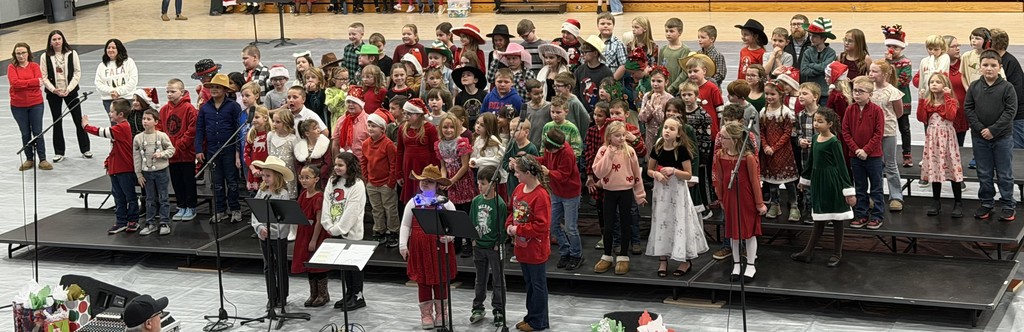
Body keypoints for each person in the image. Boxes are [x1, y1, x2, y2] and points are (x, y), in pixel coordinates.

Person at [791, 108, 855, 267]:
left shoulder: (834, 142)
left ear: (830, 124)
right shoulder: (814, 138)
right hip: (819, 183)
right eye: (815, 121)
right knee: (819, 218)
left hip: (832, 183)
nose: (816, 124)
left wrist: (848, 190)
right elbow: (811, 162)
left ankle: (837, 253)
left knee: (837, 219)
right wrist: (804, 180)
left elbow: (842, 167)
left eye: (820, 121)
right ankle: (807, 252)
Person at [646, 116, 707, 277]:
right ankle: (662, 259)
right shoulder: (658, 147)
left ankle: (684, 259)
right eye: (665, 127)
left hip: (677, 191)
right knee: (662, 221)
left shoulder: (681, 150)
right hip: (662, 191)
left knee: (678, 220)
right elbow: (649, 170)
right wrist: (656, 175)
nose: (667, 131)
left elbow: (688, 174)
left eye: (671, 129)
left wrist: (673, 171)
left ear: (678, 134)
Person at [400, 165, 457, 330]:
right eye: (423, 181)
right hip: (420, 247)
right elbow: (405, 225)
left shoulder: (445, 203)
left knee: (441, 282)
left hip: (440, 247)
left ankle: (442, 313)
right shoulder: (414, 202)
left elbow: (454, 224)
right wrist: (403, 244)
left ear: (437, 185)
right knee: (423, 282)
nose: (425, 185)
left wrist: (450, 236)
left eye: (430, 182)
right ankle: (426, 314)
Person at [965, 50, 1017, 221]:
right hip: (980, 138)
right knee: (984, 172)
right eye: (985, 65)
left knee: (1004, 173)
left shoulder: (1007, 88)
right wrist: (981, 129)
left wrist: (993, 130)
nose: (989, 69)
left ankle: (1008, 204)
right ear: (980, 67)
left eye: (993, 65)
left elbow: (1010, 111)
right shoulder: (974, 87)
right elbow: (969, 109)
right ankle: (987, 202)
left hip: (1002, 138)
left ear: (1000, 68)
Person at [714, 121, 766, 281]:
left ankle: (750, 265)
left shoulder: (748, 157)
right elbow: (720, 179)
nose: (721, 140)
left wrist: (759, 203)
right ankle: (736, 264)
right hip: (730, 198)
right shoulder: (720, 155)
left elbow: (754, 181)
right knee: (733, 233)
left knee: (749, 233)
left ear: (735, 139)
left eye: (724, 137)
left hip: (746, 198)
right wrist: (721, 197)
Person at [592, 122, 646, 275]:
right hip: (609, 192)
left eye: (623, 135)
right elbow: (599, 172)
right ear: (609, 137)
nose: (622, 138)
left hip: (626, 192)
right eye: (617, 136)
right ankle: (607, 255)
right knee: (609, 225)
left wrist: (640, 195)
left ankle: (623, 255)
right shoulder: (603, 151)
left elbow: (637, 175)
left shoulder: (630, 151)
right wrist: (609, 154)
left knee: (625, 223)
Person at [505, 155, 551, 332]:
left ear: (528, 173)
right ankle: (532, 316)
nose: (515, 175)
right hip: (522, 247)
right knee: (530, 284)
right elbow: (512, 210)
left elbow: (542, 225)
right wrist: (509, 224)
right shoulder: (518, 189)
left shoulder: (541, 195)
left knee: (537, 285)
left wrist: (519, 230)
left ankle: (538, 321)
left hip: (536, 248)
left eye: (517, 172)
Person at [319, 152, 368, 310]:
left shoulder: (358, 184)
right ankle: (349, 293)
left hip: (350, 232)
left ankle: (358, 296)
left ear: (349, 166)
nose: (337, 168)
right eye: (336, 165)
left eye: (341, 165)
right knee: (344, 266)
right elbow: (327, 202)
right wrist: (328, 224)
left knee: (354, 266)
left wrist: (340, 228)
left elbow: (353, 210)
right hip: (334, 230)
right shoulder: (333, 181)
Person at [83, 99, 137, 233]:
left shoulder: (122, 127)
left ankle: (133, 220)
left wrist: (86, 126)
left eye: (112, 111)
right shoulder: (119, 127)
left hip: (125, 168)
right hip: (116, 168)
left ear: (121, 114)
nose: (109, 113)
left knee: (129, 196)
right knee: (118, 196)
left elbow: (101, 132)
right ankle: (121, 221)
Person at [196, 73, 244, 223]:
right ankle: (220, 210)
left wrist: (237, 151)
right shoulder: (205, 108)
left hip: (229, 150)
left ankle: (235, 209)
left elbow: (238, 129)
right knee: (216, 183)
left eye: (218, 87)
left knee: (232, 181)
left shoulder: (233, 106)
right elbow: (200, 129)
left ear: (225, 90)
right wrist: (198, 149)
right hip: (212, 150)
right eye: (212, 87)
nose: (214, 90)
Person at [918, 73, 965, 217]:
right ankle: (936, 201)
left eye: (938, 82)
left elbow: (950, 116)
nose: (934, 84)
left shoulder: (950, 101)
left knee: (952, 167)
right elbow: (921, 118)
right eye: (932, 82)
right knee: (935, 167)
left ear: (945, 85)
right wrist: (920, 100)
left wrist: (946, 96)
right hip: (933, 138)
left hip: (947, 138)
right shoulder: (927, 102)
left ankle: (958, 202)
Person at [842, 76, 886, 229]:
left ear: (870, 94)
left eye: (861, 91)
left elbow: (878, 133)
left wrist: (866, 150)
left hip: (873, 156)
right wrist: (856, 149)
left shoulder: (877, 110)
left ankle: (877, 215)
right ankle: (861, 214)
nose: (857, 94)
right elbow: (845, 131)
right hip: (855, 156)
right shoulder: (850, 109)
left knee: (876, 187)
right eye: (855, 91)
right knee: (860, 187)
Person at [537, 129, 583, 270]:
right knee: (553, 225)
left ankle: (576, 254)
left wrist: (548, 172)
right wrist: (531, 158)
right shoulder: (549, 149)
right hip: (556, 192)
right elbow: (545, 160)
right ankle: (565, 251)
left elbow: (563, 175)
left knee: (570, 227)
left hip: (570, 194)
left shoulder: (567, 153)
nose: (554, 151)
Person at [251, 156, 294, 308]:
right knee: (268, 266)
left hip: (278, 237)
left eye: (268, 175)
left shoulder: (283, 194)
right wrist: (260, 228)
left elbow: (285, 218)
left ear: (277, 176)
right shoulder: (262, 192)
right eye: (263, 175)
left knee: (281, 266)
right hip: (264, 236)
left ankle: (282, 296)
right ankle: (272, 296)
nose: (265, 178)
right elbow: (255, 212)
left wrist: (274, 230)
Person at [41, 30, 90, 163]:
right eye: (54, 39)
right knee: (57, 121)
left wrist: (69, 89)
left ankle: (85, 148)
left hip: (71, 91)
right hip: (54, 93)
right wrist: (53, 89)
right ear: (50, 42)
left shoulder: (72, 54)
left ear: (63, 40)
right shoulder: (45, 56)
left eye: (59, 39)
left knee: (77, 119)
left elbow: (77, 73)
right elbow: (43, 76)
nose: (57, 41)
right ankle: (59, 151)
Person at [468, 166, 507, 326]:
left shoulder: (500, 204)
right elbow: (471, 220)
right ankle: (477, 307)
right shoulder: (476, 201)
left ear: (493, 183)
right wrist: (473, 239)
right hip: (479, 247)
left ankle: (499, 309)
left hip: (494, 248)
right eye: (478, 183)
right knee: (480, 279)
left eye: (483, 183)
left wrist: (498, 243)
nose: (480, 186)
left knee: (498, 280)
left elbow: (502, 226)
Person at [436, 113, 478, 257]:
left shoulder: (462, 142)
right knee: (453, 212)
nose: (448, 130)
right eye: (445, 127)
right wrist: (443, 179)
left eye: (451, 127)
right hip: (450, 183)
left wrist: (452, 180)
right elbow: (442, 166)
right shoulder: (439, 145)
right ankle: (458, 241)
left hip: (462, 180)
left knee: (465, 212)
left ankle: (469, 242)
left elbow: (465, 166)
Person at [868, 60, 906, 212]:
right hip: (871, 133)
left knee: (890, 165)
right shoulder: (868, 90)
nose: (871, 74)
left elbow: (899, 112)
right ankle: (875, 195)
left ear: (885, 74)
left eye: (875, 71)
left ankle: (896, 196)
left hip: (887, 132)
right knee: (874, 165)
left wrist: (886, 121)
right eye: (870, 71)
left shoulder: (892, 91)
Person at [760, 80, 800, 221]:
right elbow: (762, 132)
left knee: (789, 181)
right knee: (772, 181)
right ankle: (774, 204)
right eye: (767, 94)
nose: (769, 97)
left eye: (772, 94)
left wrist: (775, 147)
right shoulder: (763, 112)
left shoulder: (786, 112)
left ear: (780, 94)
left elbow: (787, 133)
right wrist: (765, 146)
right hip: (769, 152)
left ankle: (794, 205)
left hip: (783, 152)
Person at [8, 42, 51, 171]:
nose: (21, 56)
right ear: (15, 55)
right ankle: (29, 159)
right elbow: (15, 83)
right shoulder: (11, 67)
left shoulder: (34, 66)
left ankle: (42, 159)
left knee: (38, 131)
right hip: (18, 105)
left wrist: (26, 83)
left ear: (28, 53)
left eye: (23, 53)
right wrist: (32, 82)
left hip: (36, 104)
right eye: (18, 53)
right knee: (25, 132)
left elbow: (40, 82)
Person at [161, 79, 198, 221]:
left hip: (186, 154)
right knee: (176, 181)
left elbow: (191, 130)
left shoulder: (189, 109)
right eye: (167, 92)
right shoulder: (164, 110)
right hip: (171, 154)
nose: (169, 94)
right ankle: (181, 205)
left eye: (173, 91)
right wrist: (167, 148)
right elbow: (161, 129)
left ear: (182, 92)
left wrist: (179, 146)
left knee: (188, 181)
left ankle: (191, 206)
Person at [134, 109, 175, 236]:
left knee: (163, 197)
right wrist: (139, 174)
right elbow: (136, 157)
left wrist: (162, 154)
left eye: (148, 119)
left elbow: (171, 149)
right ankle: (150, 223)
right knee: (149, 198)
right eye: (144, 119)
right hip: (147, 174)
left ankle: (164, 222)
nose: (145, 121)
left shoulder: (162, 136)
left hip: (161, 172)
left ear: (156, 122)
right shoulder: (138, 138)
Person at [882, 25, 915, 167]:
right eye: (889, 46)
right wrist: (887, 63)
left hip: (902, 100)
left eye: (895, 47)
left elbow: (904, 80)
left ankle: (907, 154)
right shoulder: (885, 63)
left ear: (901, 48)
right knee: (886, 128)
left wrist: (890, 72)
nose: (892, 49)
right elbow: (882, 77)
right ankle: (885, 154)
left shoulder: (906, 62)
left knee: (904, 128)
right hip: (887, 101)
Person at [398, 98, 440, 202]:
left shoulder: (429, 128)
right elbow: (400, 151)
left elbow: (434, 151)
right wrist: (399, 173)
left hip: (424, 167)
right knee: (410, 197)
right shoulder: (402, 128)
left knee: (424, 194)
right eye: (405, 113)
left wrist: (433, 172)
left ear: (419, 114)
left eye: (409, 114)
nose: (406, 117)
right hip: (408, 166)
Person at [989, 29, 1024, 149]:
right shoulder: (998, 60)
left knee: (1015, 152)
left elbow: (1017, 93)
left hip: (1016, 117)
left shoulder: (1010, 62)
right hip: (1006, 116)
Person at [800, 18, 837, 104]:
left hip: (825, 94)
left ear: (823, 38)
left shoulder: (831, 53)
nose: (811, 38)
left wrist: (811, 65)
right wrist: (820, 69)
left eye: (814, 36)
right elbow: (804, 71)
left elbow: (825, 68)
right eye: (810, 35)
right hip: (810, 92)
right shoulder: (808, 52)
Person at [95, 39, 138, 112]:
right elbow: (98, 84)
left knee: (129, 122)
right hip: (109, 100)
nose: (110, 50)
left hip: (127, 98)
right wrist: (111, 91)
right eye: (108, 48)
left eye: (113, 48)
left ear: (119, 49)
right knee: (115, 123)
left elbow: (133, 81)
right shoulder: (102, 66)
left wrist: (118, 92)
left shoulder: (128, 62)